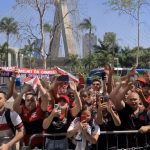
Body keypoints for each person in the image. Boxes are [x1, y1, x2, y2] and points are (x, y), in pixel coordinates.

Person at [13, 82, 48, 149]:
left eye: (32, 100)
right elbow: (15, 107)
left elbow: (46, 99)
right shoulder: (22, 108)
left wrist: (40, 86)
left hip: (39, 143)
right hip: (25, 143)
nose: (30, 102)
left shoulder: (40, 108)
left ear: (37, 101)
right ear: (25, 101)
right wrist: (23, 92)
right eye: (27, 100)